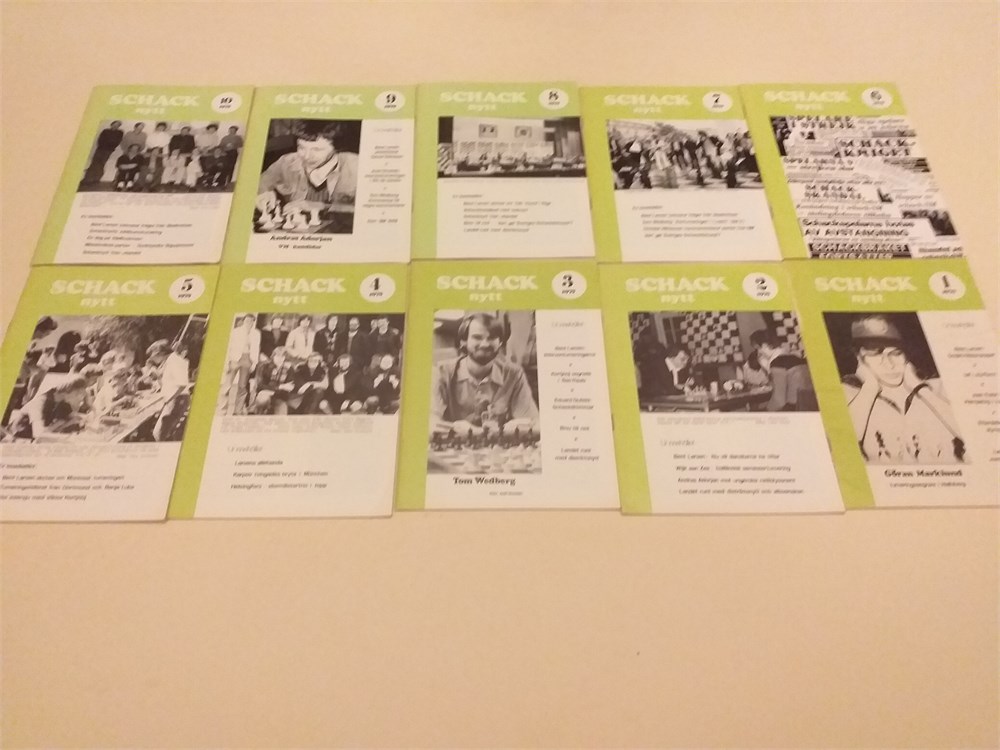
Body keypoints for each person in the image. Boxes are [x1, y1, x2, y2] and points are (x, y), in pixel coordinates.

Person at [842, 315, 964, 463]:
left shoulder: (938, 388)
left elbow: (975, 436)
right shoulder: (848, 394)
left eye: (896, 353)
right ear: (858, 357)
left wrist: (919, 387)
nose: (889, 364)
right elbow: (842, 443)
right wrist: (869, 388)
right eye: (875, 354)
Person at [431, 312, 538, 432]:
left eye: (492, 338)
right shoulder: (441, 372)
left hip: (498, 443)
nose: (485, 344)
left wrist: (476, 432)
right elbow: (431, 424)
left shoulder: (514, 374)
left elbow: (533, 423)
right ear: (463, 341)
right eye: (477, 337)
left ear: (500, 342)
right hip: (453, 443)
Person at [255, 120, 359, 232]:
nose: (306, 156)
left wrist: (322, 206)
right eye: (301, 147)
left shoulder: (357, 165)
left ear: (337, 147)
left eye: (317, 149)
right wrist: (263, 193)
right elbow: (258, 184)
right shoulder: (286, 162)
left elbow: (367, 210)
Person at [749, 329, 816, 411]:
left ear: (765, 345)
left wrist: (765, 412)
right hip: (810, 407)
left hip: (795, 409)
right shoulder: (795, 357)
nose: (759, 353)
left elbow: (779, 401)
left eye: (758, 348)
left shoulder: (777, 362)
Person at [19, 376, 91, 439]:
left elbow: (75, 417)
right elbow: (38, 434)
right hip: (20, 439)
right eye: (77, 393)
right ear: (68, 390)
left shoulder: (62, 400)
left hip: (38, 438)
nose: (80, 398)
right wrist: (70, 438)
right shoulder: (40, 402)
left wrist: (87, 418)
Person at [225, 314, 260, 416]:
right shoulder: (235, 332)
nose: (249, 323)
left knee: (242, 386)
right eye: (247, 320)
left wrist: (254, 363)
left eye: (251, 321)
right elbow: (229, 346)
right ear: (243, 321)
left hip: (248, 359)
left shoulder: (256, 333)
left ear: (253, 322)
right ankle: (222, 410)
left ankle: (238, 411)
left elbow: (256, 348)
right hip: (235, 359)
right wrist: (228, 361)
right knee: (227, 385)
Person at [252, 346, 295, 415]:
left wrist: (272, 391)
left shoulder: (289, 369)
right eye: (277, 356)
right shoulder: (265, 367)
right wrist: (280, 387)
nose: (279, 359)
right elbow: (260, 386)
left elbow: (288, 389)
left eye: (282, 356)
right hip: (264, 395)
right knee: (262, 399)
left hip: (279, 398)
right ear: (273, 356)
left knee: (281, 415)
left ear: (285, 358)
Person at [82, 120, 124, 185]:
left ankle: (96, 179)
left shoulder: (120, 132)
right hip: (100, 149)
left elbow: (117, 141)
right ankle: (87, 179)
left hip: (108, 150)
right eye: (114, 124)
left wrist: (109, 145)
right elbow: (100, 140)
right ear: (111, 124)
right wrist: (105, 144)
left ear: (119, 126)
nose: (115, 126)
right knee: (94, 163)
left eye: (117, 125)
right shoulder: (105, 131)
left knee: (101, 164)